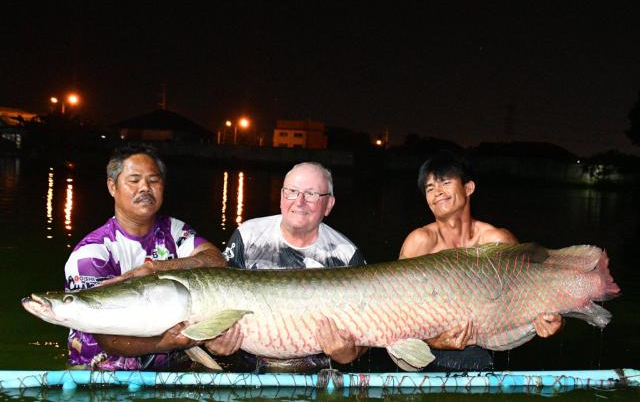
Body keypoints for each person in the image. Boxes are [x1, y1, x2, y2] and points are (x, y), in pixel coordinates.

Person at [64, 143, 227, 371]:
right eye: (134, 180)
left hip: (169, 372)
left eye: (153, 180)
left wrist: (155, 268)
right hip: (100, 375)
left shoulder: (174, 231)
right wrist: (164, 343)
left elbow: (217, 260)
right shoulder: (92, 254)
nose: (145, 188)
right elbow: (106, 338)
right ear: (112, 186)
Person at [398, 150, 563, 371]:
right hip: (425, 345)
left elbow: (533, 288)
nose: (437, 192)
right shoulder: (420, 242)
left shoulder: (497, 241)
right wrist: (434, 341)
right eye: (430, 188)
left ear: (468, 188)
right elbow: (397, 308)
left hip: (483, 343)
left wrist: (552, 318)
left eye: (445, 183)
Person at [217, 162, 368, 372]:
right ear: (281, 197)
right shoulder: (247, 235)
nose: (299, 201)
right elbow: (218, 297)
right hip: (247, 369)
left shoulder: (346, 255)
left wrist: (351, 352)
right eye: (292, 191)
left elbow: (370, 324)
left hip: (317, 374)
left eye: (311, 194)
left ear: (329, 204)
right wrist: (214, 339)